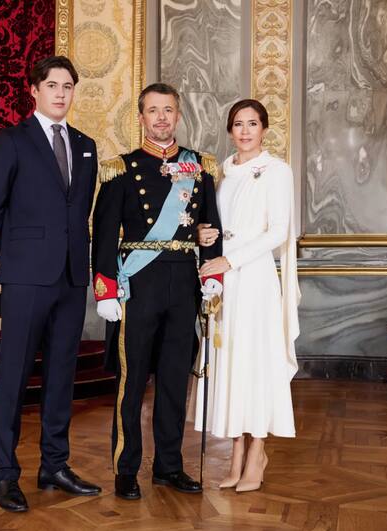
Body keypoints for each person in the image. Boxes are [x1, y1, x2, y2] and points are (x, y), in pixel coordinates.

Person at [0, 55, 101, 512]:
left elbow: (81, 210)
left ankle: (54, 465)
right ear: (34, 90)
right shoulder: (12, 140)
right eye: (53, 85)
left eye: (68, 86)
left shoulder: (86, 145)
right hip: (26, 277)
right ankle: (5, 474)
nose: (61, 94)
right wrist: (14, 255)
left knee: (61, 376)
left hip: (71, 276)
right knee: (13, 375)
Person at [91, 82, 224, 500]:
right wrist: (105, 290)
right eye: (153, 110)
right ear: (141, 117)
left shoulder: (199, 167)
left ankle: (169, 466)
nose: (161, 118)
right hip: (138, 285)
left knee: (173, 380)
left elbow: (210, 226)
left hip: (183, 283)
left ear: (178, 116)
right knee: (131, 382)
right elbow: (104, 235)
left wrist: (212, 275)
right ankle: (126, 468)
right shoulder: (121, 169)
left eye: (168, 110)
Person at [192, 98, 301, 492]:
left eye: (252, 123)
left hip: (253, 278)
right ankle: (236, 451)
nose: (245, 131)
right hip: (224, 280)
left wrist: (231, 260)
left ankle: (257, 451)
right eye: (238, 124)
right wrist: (204, 236)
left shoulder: (277, 171)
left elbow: (278, 231)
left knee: (254, 363)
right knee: (230, 363)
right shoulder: (222, 174)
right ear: (229, 130)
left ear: (264, 129)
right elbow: (216, 225)